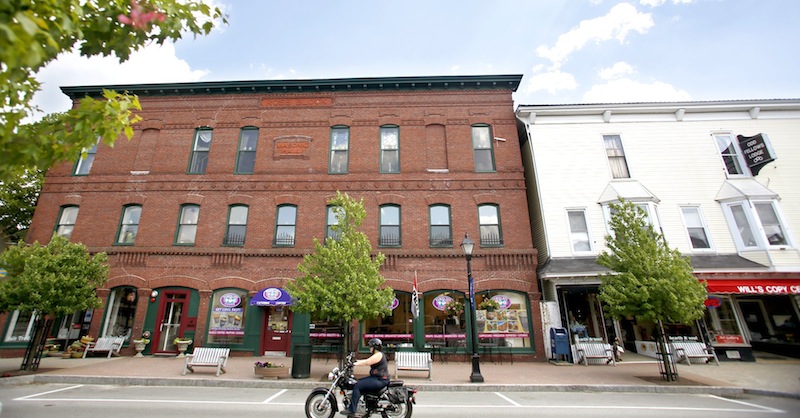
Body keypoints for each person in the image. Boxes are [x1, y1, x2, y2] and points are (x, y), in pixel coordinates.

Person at [341, 338, 390, 417]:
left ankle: (352, 410)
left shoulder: (378, 355)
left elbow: (367, 362)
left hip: (380, 380)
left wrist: (353, 364)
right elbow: (366, 360)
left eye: (370, 347)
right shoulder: (377, 355)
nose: (369, 348)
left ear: (375, 347)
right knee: (360, 383)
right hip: (377, 378)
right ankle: (363, 407)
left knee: (358, 385)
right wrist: (355, 361)